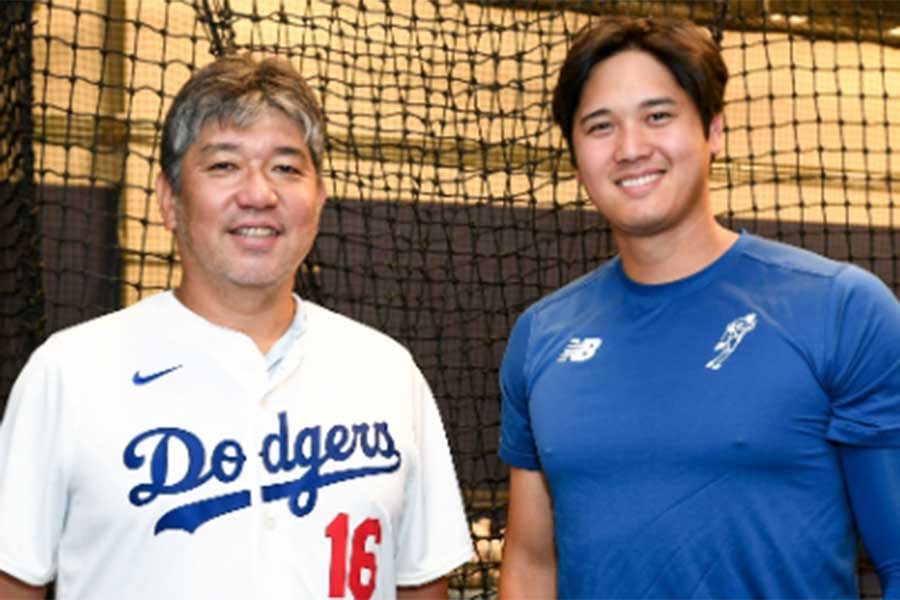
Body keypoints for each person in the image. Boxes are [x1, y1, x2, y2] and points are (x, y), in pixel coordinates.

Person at [0, 53, 472, 599]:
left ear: (318, 199)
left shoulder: (388, 373)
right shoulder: (70, 372)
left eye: (287, 167)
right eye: (224, 165)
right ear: (169, 200)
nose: (259, 193)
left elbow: (420, 583)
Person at [498, 15, 900, 599]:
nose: (631, 149)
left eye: (658, 116)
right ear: (575, 152)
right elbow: (533, 564)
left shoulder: (842, 310)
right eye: (600, 126)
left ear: (713, 129)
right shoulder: (541, 336)